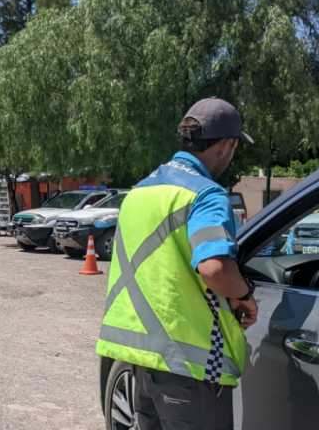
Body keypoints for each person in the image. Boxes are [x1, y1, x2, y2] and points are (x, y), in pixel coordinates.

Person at [96, 98, 258, 430]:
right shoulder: (206, 195)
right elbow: (214, 268)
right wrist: (244, 294)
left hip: (139, 357)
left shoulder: (140, 192)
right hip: (190, 366)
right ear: (226, 145)